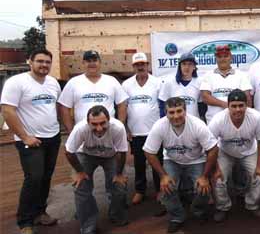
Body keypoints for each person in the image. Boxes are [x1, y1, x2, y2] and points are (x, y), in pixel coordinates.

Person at [1, 49, 61, 234]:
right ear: (30, 61)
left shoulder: (52, 83)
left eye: (47, 62)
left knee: (46, 177)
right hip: (30, 140)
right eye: (40, 61)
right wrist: (25, 136)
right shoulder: (16, 82)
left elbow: (55, 106)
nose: (44, 65)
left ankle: (40, 213)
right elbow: (8, 111)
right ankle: (25, 221)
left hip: (53, 137)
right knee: (33, 178)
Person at [143, 97, 218, 233]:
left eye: (179, 111)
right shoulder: (160, 126)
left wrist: (205, 176)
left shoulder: (197, 125)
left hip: (196, 160)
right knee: (167, 186)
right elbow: (149, 152)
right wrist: (163, 176)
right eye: (171, 112)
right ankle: (177, 216)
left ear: (185, 111)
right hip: (172, 160)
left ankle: (197, 211)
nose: (176, 116)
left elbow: (212, 149)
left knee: (203, 187)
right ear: (166, 113)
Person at [64, 105, 129, 234]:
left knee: (119, 185)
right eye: (94, 124)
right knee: (81, 186)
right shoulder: (80, 129)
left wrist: (119, 174)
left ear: (109, 120)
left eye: (102, 123)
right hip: (86, 154)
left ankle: (116, 214)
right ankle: (88, 226)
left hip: (111, 155)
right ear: (88, 123)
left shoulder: (118, 128)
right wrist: (80, 172)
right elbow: (68, 152)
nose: (99, 128)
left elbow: (122, 152)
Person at [209, 89, 260, 222]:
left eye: (241, 105)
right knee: (218, 178)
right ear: (228, 106)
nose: (237, 109)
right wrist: (216, 169)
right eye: (234, 106)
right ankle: (223, 206)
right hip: (225, 152)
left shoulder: (256, 117)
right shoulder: (218, 119)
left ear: (246, 105)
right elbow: (210, 145)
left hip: (249, 152)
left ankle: (252, 204)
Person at [121, 52, 164, 213]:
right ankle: (140, 190)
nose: (140, 67)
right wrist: (125, 128)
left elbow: (163, 105)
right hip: (135, 132)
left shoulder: (157, 82)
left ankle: (160, 189)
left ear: (148, 65)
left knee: (157, 161)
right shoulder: (126, 85)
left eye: (143, 64)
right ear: (133, 67)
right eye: (137, 65)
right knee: (139, 163)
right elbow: (123, 107)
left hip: (155, 131)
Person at [58, 50, 128, 132]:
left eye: (95, 60)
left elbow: (122, 104)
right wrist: (71, 131)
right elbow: (64, 108)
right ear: (83, 63)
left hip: (108, 132)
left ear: (100, 63)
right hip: (83, 133)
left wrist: (119, 127)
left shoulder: (112, 81)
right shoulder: (73, 82)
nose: (92, 63)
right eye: (88, 61)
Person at [200, 45, 252, 123]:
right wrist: (227, 105)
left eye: (225, 56)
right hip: (214, 121)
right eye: (219, 57)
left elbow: (247, 98)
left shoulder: (242, 75)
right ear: (216, 59)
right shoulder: (208, 75)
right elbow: (205, 97)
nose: (222, 59)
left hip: (237, 122)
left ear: (231, 58)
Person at [159, 52, 202, 118]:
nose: (187, 67)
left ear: (194, 67)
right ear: (180, 66)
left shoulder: (199, 83)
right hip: (175, 122)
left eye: (190, 64)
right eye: (184, 64)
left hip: (193, 124)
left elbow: (202, 107)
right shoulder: (169, 82)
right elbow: (162, 104)